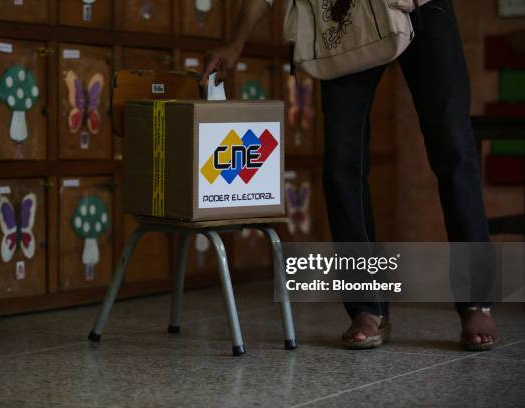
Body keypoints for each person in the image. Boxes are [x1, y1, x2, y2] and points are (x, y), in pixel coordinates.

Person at [201, 0, 499, 351]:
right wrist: (236, 42)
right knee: (342, 163)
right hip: (344, 20)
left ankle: (475, 301)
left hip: (423, 9)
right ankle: (367, 306)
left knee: (455, 151)